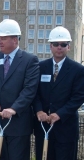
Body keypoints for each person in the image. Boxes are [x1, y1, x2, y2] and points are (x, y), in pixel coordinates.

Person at [0, 19, 40, 160]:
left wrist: (14, 109)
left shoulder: (29, 60)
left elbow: (29, 89)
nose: (0, 41)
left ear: (15, 39)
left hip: (18, 124)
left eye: (4, 38)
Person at [33, 26, 84, 160]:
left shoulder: (78, 70)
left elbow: (78, 97)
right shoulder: (40, 67)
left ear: (69, 47)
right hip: (43, 128)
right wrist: (39, 111)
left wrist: (59, 114)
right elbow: (34, 93)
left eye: (63, 44)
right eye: (56, 44)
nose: (59, 47)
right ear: (50, 46)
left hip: (66, 130)